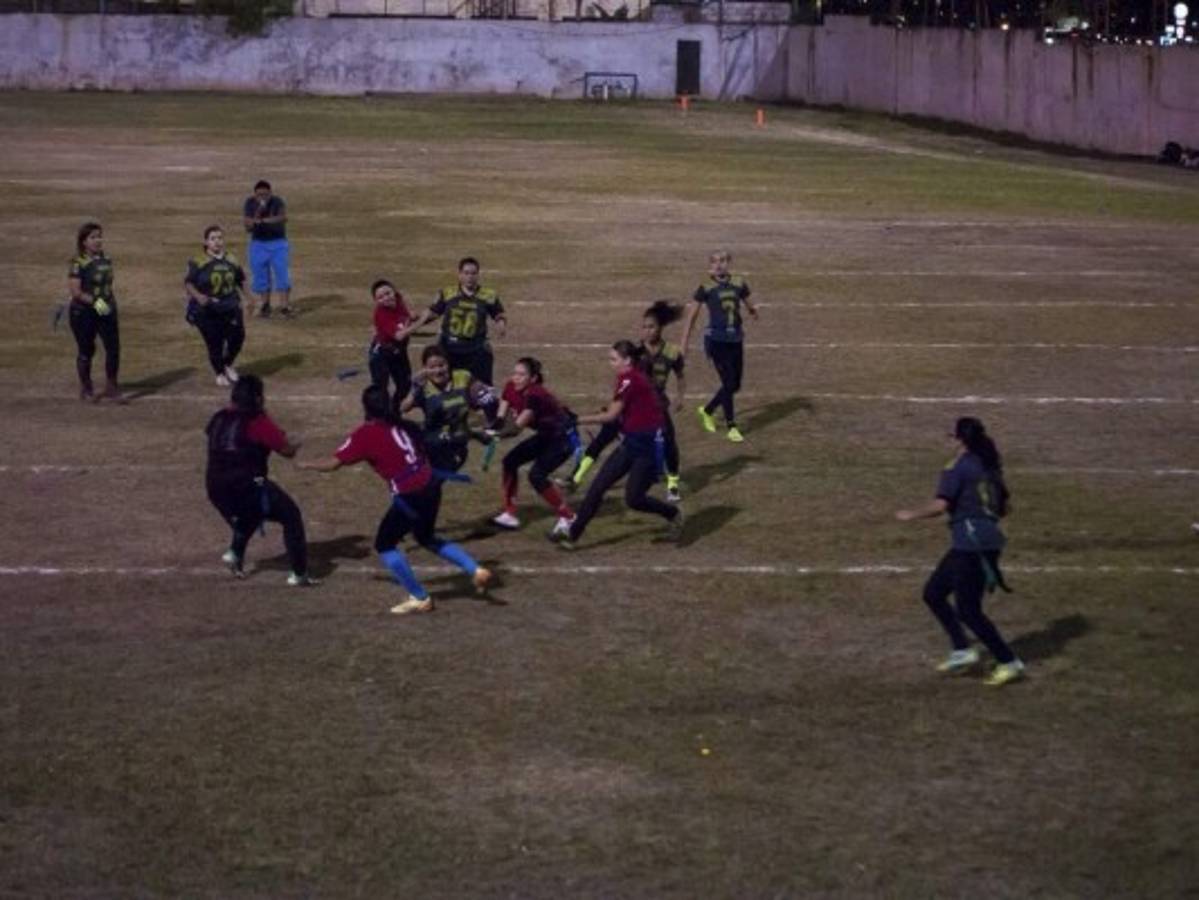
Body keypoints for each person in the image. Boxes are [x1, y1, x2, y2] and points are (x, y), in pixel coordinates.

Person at [299, 385, 492, 615]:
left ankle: (420, 597)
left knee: (384, 544)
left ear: (366, 408)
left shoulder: (366, 434)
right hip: (430, 482)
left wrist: (306, 464)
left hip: (410, 494)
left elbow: (333, 463)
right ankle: (474, 568)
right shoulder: (402, 426)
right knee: (426, 536)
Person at [895, 416, 1025, 687]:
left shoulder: (957, 467)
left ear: (960, 440)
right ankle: (963, 649)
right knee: (933, 594)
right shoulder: (989, 464)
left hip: (972, 544)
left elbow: (941, 505)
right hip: (982, 540)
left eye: (951, 435)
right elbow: (1005, 507)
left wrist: (911, 514)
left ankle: (1008, 661)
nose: (948, 440)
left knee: (968, 609)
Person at [557, 341, 684, 548]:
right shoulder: (629, 379)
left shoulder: (630, 380)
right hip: (630, 445)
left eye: (614, 359)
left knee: (634, 499)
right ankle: (572, 535)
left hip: (646, 451)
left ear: (627, 361)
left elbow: (612, 415)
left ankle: (673, 513)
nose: (611, 364)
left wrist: (577, 419)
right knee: (597, 488)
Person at [205, 375, 315, 585]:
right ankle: (299, 574)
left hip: (215, 487)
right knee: (290, 515)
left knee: (252, 512)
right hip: (245, 485)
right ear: (257, 399)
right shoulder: (258, 422)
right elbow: (286, 450)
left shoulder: (218, 418)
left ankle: (235, 553)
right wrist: (296, 444)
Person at [572, 300, 686, 502]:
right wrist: (615, 402)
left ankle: (673, 483)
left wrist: (679, 397)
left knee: (669, 443)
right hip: (631, 407)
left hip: (657, 407)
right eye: (644, 327)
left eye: (651, 327)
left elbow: (680, 375)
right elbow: (623, 378)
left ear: (660, 328)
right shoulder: (636, 353)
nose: (647, 331)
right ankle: (576, 476)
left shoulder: (671, 352)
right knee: (604, 435)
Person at [679, 249, 759, 444]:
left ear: (729, 263)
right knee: (729, 383)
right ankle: (732, 426)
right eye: (714, 261)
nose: (719, 264)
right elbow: (692, 316)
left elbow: (747, 301)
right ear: (710, 265)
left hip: (736, 339)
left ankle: (707, 410)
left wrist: (752, 310)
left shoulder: (739, 282)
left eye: (722, 261)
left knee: (735, 384)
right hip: (716, 341)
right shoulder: (706, 287)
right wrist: (684, 342)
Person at [490, 357, 576, 534]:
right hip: (547, 436)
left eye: (522, 375)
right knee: (510, 462)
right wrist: (493, 427)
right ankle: (509, 513)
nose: (516, 378)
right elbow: (501, 414)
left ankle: (568, 516)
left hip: (563, 439)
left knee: (537, 475)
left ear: (533, 378)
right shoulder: (511, 386)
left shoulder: (535, 395)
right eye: (515, 373)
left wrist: (492, 435)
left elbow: (516, 428)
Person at [400, 257, 506, 384]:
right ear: (459, 274)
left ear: (478, 274)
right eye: (466, 273)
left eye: (473, 273)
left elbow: (498, 313)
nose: (470, 277)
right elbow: (432, 313)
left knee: (482, 387)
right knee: (443, 383)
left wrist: (501, 325)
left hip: (476, 348)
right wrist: (412, 328)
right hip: (449, 348)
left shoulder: (489, 295)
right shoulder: (448, 293)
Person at [401, 344, 499, 473]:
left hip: (457, 444)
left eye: (441, 365)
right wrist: (415, 389)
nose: (438, 371)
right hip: (433, 444)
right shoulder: (423, 387)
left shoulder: (463, 377)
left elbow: (487, 399)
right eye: (432, 367)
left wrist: (487, 397)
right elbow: (403, 408)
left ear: (448, 364)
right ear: (425, 369)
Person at [67, 222, 125, 403]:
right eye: (93, 237)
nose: (97, 240)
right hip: (84, 312)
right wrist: (99, 303)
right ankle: (86, 388)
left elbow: (107, 286)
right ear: (84, 242)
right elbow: (76, 292)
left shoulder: (106, 259)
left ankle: (112, 386)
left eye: (99, 236)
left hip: (105, 308)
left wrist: (111, 303)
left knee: (113, 347)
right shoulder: (78, 263)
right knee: (87, 350)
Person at [185, 225, 247, 387]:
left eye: (220, 238)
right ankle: (219, 372)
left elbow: (241, 280)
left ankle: (226, 364)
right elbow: (189, 283)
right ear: (206, 242)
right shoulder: (198, 261)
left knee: (238, 337)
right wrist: (199, 297)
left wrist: (251, 298)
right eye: (213, 238)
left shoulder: (232, 259)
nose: (217, 242)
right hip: (207, 309)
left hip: (230, 305)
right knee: (215, 342)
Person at [242, 179, 291, 318]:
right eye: (259, 195)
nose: (263, 198)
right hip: (258, 243)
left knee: (282, 275)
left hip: (278, 243)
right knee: (260, 275)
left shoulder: (277, 201)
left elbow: (282, 217)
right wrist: (258, 212)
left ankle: (284, 306)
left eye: (265, 195)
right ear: (255, 195)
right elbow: (248, 226)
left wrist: (263, 221)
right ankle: (265, 305)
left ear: (270, 193)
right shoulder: (250, 203)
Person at [368, 279, 414, 415]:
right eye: (380, 297)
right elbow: (399, 335)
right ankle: (375, 420)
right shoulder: (381, 314)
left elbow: (404, 316)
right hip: (382, 354)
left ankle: (394, 415)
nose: (385, 298)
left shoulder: (398, 299)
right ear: (376, 301)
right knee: (380, 391)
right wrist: (417, 322)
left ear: (394, 291)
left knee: (405, 385)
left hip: (399, 352)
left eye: (388, 293)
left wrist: (410, 317)